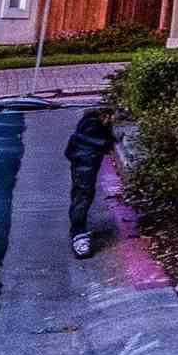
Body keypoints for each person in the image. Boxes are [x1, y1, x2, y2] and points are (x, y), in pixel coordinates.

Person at [65, 104, 117, 259]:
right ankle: (78, 233)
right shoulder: (91, 128)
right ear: (107, 116)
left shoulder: (91, 125)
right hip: (85, 158)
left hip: (86, 155)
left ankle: (78, 231)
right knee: (83, 192)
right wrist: (107, 144)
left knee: (83, 192)